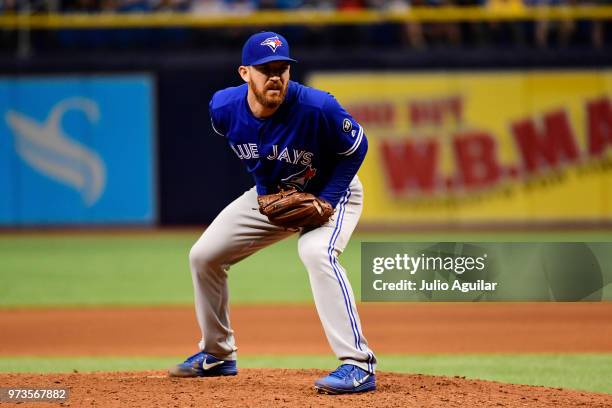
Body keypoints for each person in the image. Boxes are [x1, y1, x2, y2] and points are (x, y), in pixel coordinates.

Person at [168, 31, 377, 394]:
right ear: (245, 73)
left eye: (282, 68)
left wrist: (327, 198)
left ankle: (358, 365)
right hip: (276, 192)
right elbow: (255, 156)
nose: (276, 76)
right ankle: (217, 355)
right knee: (204, 256)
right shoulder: (223, 108)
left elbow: (357, 147)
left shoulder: (318, 107)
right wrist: (266, 195)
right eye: (266, 69)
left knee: (315, 252)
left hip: (334, 193)